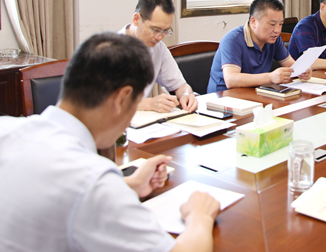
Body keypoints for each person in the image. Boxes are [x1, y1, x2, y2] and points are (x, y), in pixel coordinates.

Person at [0, 33, 220, 252]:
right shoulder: (94, 182)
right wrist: (199, 217)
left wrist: (130, 185)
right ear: (121, 99)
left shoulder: (6, 129)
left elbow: (51, 193)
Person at [208, 0, 311, 93]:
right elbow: (231, 80)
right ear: (253, 22)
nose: (277, 30)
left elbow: (291, 65)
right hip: (224, 97)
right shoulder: (232, 40)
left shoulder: (274, 39)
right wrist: (270, 77)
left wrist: (302, 70)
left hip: (254, 93)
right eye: (272, 24)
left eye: (281, 24)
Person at [119, 0, 198, 113]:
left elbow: (180, 85)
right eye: (155, 30)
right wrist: (148, 103)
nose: (159, 37)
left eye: (165, 31)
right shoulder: (107, 50)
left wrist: (186, 95)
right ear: (136, 19)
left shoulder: (158, 48)